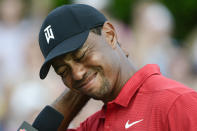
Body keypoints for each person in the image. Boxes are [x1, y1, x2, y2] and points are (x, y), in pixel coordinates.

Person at [38, 4, 197, 131]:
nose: (77, 73)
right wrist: (78, 90)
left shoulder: (177, 102)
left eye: (81, 56)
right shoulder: (92, 126)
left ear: (109, 35)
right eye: (63, 71)